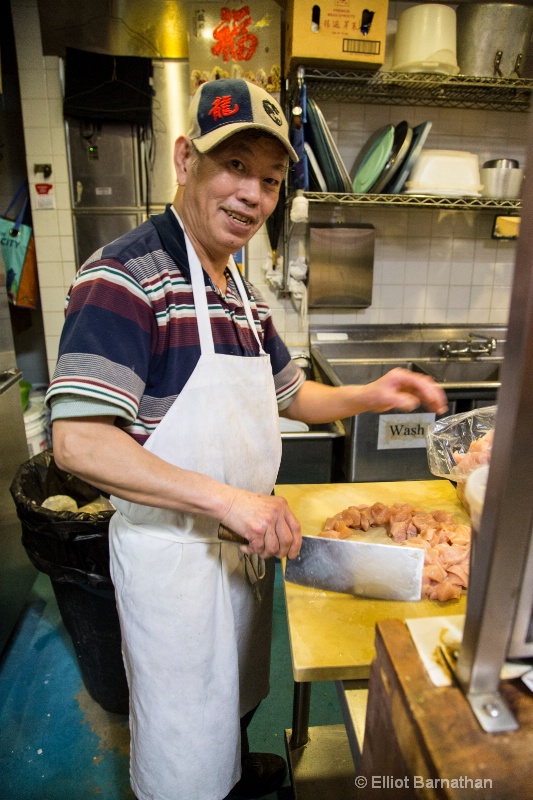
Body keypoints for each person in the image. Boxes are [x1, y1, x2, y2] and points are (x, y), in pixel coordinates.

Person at [46, 78, 448, 800]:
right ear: (184, 160)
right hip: (176, 561)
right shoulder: (124, 277)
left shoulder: (236, 290)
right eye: (234, 167)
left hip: (241, 547)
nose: (251, 196)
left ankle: (233, 768)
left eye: (268, 180)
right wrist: (229, 502)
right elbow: (79, 444)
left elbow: (291, 394)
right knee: (181, 743)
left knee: (231, 697)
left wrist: (369, 393)